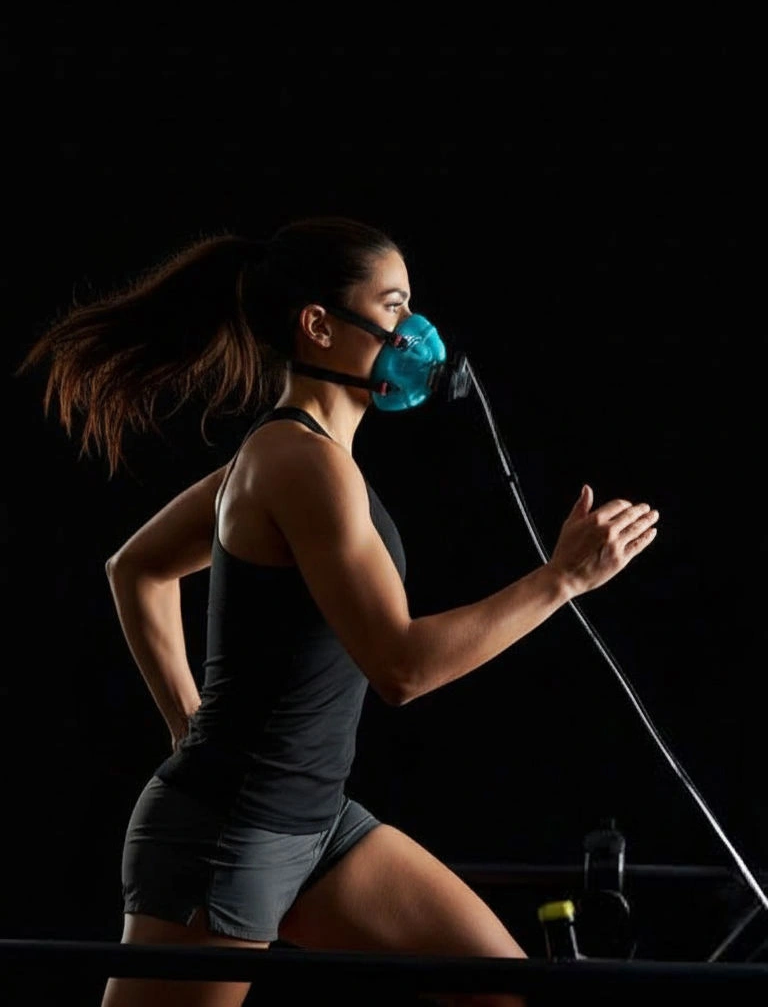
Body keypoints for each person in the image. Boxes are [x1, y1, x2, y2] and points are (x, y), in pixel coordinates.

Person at [18, 215, 659, 1007]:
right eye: (392, 307)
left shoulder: (302, 456)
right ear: (319, 326)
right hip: (228, 836)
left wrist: (190, 725)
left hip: (316, 825)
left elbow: (137, 568)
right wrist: (560, 580)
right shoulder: (297, 463)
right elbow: (402, 667)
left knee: (504, 994)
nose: (416, 333)